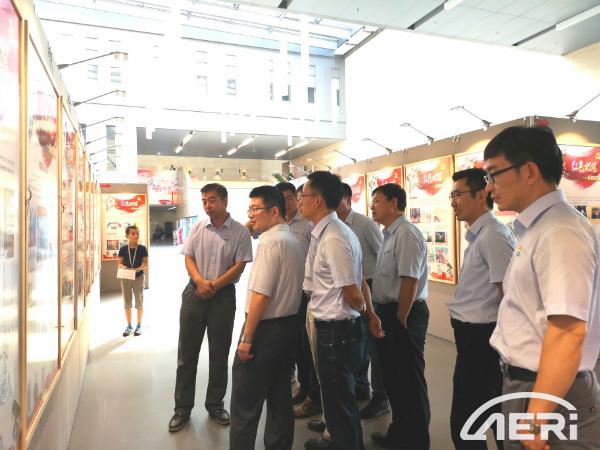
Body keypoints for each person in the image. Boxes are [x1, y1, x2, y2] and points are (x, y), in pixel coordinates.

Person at [484, 126, 600, 450]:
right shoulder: (539, 228)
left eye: (494, 174)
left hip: (553, 396)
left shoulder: (560, 232)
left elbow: (567, 331)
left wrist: (536, 417)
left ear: (529, 171)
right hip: (534, 388)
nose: (489, 187)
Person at [299, 171, 383, 450]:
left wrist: (363, 311)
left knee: (340, 400)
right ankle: (338, 440)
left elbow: (353, 291)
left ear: (318, 200)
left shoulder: (334, 237)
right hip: (333, 328)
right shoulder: (326, 232)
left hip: (336, 331)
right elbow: (358, 280)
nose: (300, 201)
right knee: (337, 398)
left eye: (303, 196)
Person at [169, 183, 253, 432]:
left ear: (225, 201)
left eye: (212, 200)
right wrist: (199, 281)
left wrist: (214, 285)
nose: (208, 205)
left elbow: (239, 265)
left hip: (223, 296)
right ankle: (182, 408)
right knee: (187, 354)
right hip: (194, 293)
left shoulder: (240, 232)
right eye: (204, 201)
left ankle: (215, 404)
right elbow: (189, 256)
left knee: (219, 354)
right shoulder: (198, 227)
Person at [229, 186, 304, 450]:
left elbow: (261, 295)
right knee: (280, 397)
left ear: (274, 211)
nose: (250, 215)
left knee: (245, 402)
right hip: (288, 327)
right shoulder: (292, 240)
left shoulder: (270, 242)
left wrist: (247, 338)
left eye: (255, 209)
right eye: (249, 209)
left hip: (265, 330)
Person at [448, 168, 515, 450]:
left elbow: (508, 295)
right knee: (483, 419)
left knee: (468, 425)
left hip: (484, 343)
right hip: (472, 341)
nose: (453, 202)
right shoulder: (480, 235)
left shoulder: (493, 236)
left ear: (479, 196)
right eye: (451, 195)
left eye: (458, 195)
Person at [370, 183, 431, 450]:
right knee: (394, 378)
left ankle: (416, 440)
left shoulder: (406, 233)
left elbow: (410, 280)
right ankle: (400, 432)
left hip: (404, 313)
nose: (372, 206)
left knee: (409, 379)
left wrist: (401, 318)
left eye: (377, 201)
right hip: (389, 312)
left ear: (393, 203)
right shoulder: (389, 234)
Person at [336, 182, 389, 419]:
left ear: (348, 200)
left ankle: (380, 397)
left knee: (372, 346)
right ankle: (361, 387)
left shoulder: (364, 224)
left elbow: (382, 256)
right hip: (350, 289)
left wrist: (376, 296)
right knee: (357, 343)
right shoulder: (334, 226)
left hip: (369, 287)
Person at [274, 182, 321, 419]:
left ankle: (314, 395)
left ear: (296, 197)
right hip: (285, 293)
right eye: (281, 199)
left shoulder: (308, 224)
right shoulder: (276, 224)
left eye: (290, 197)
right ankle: (304, 386)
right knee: (296, 346)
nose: (287, 202)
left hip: (306, 294)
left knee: (308, 347)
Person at [117, 225, 148, 337]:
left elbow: (145, 264)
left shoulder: (142, 248)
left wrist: (137, 269)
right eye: (133, 233)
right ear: (127, 236)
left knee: (139, 301)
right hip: (126, 277)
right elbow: (119, 263)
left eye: (137, 233)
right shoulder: (123, 249)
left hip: (138, 277)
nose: (136, 235)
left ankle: (138, 325)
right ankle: (129, 325)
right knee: (127, 301)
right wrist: (124, 267)